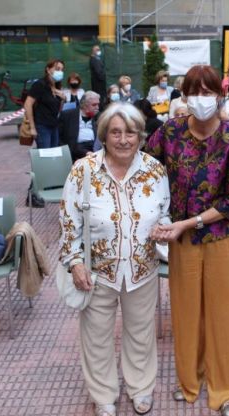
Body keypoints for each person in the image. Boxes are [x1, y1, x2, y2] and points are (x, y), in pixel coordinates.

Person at [146, 64, 229, 416]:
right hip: (182, 240)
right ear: (184, 96)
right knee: (186, 311)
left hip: (222, 236)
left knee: (226, 313)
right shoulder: (171, 130)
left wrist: (185, 222)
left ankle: (227, 389)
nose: (201, 99)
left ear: (220, 95)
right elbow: (146, 166)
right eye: (194, 92)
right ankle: (189, 381)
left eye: (207, 92)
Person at [59, 103, 170, 416]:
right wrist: (74, 262)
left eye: (130, 132)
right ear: (104, 136)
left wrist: (163, 231)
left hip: (141, 269)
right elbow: (68, 222)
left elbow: (164, 212)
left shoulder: (154, 170)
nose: (124, 139)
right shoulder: (84, 170)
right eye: (116, 132)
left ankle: (140, 388)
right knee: (96, 337)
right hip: (96, 272)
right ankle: (104, 395)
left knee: (141, 333)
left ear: (141, 136)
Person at [24, 58, 66, 149]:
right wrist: (32, 127)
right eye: (57, 69)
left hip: (54, 125)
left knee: (54, 155)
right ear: (48, 69)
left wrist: (63, 99)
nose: (60, 72)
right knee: (45, 155)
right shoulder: (40, 84)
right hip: (42, 126)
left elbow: (58, 110)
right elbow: (28, 104)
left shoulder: (57, 86)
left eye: (62, 70)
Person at [58, 91, 100, 160]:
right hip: (75, 148)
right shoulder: (67, 115)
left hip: (94, 147)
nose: (97, 107)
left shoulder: (98, 117)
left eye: (98, 104)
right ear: (84, 105)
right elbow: (60, 139)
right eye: (94, 105)